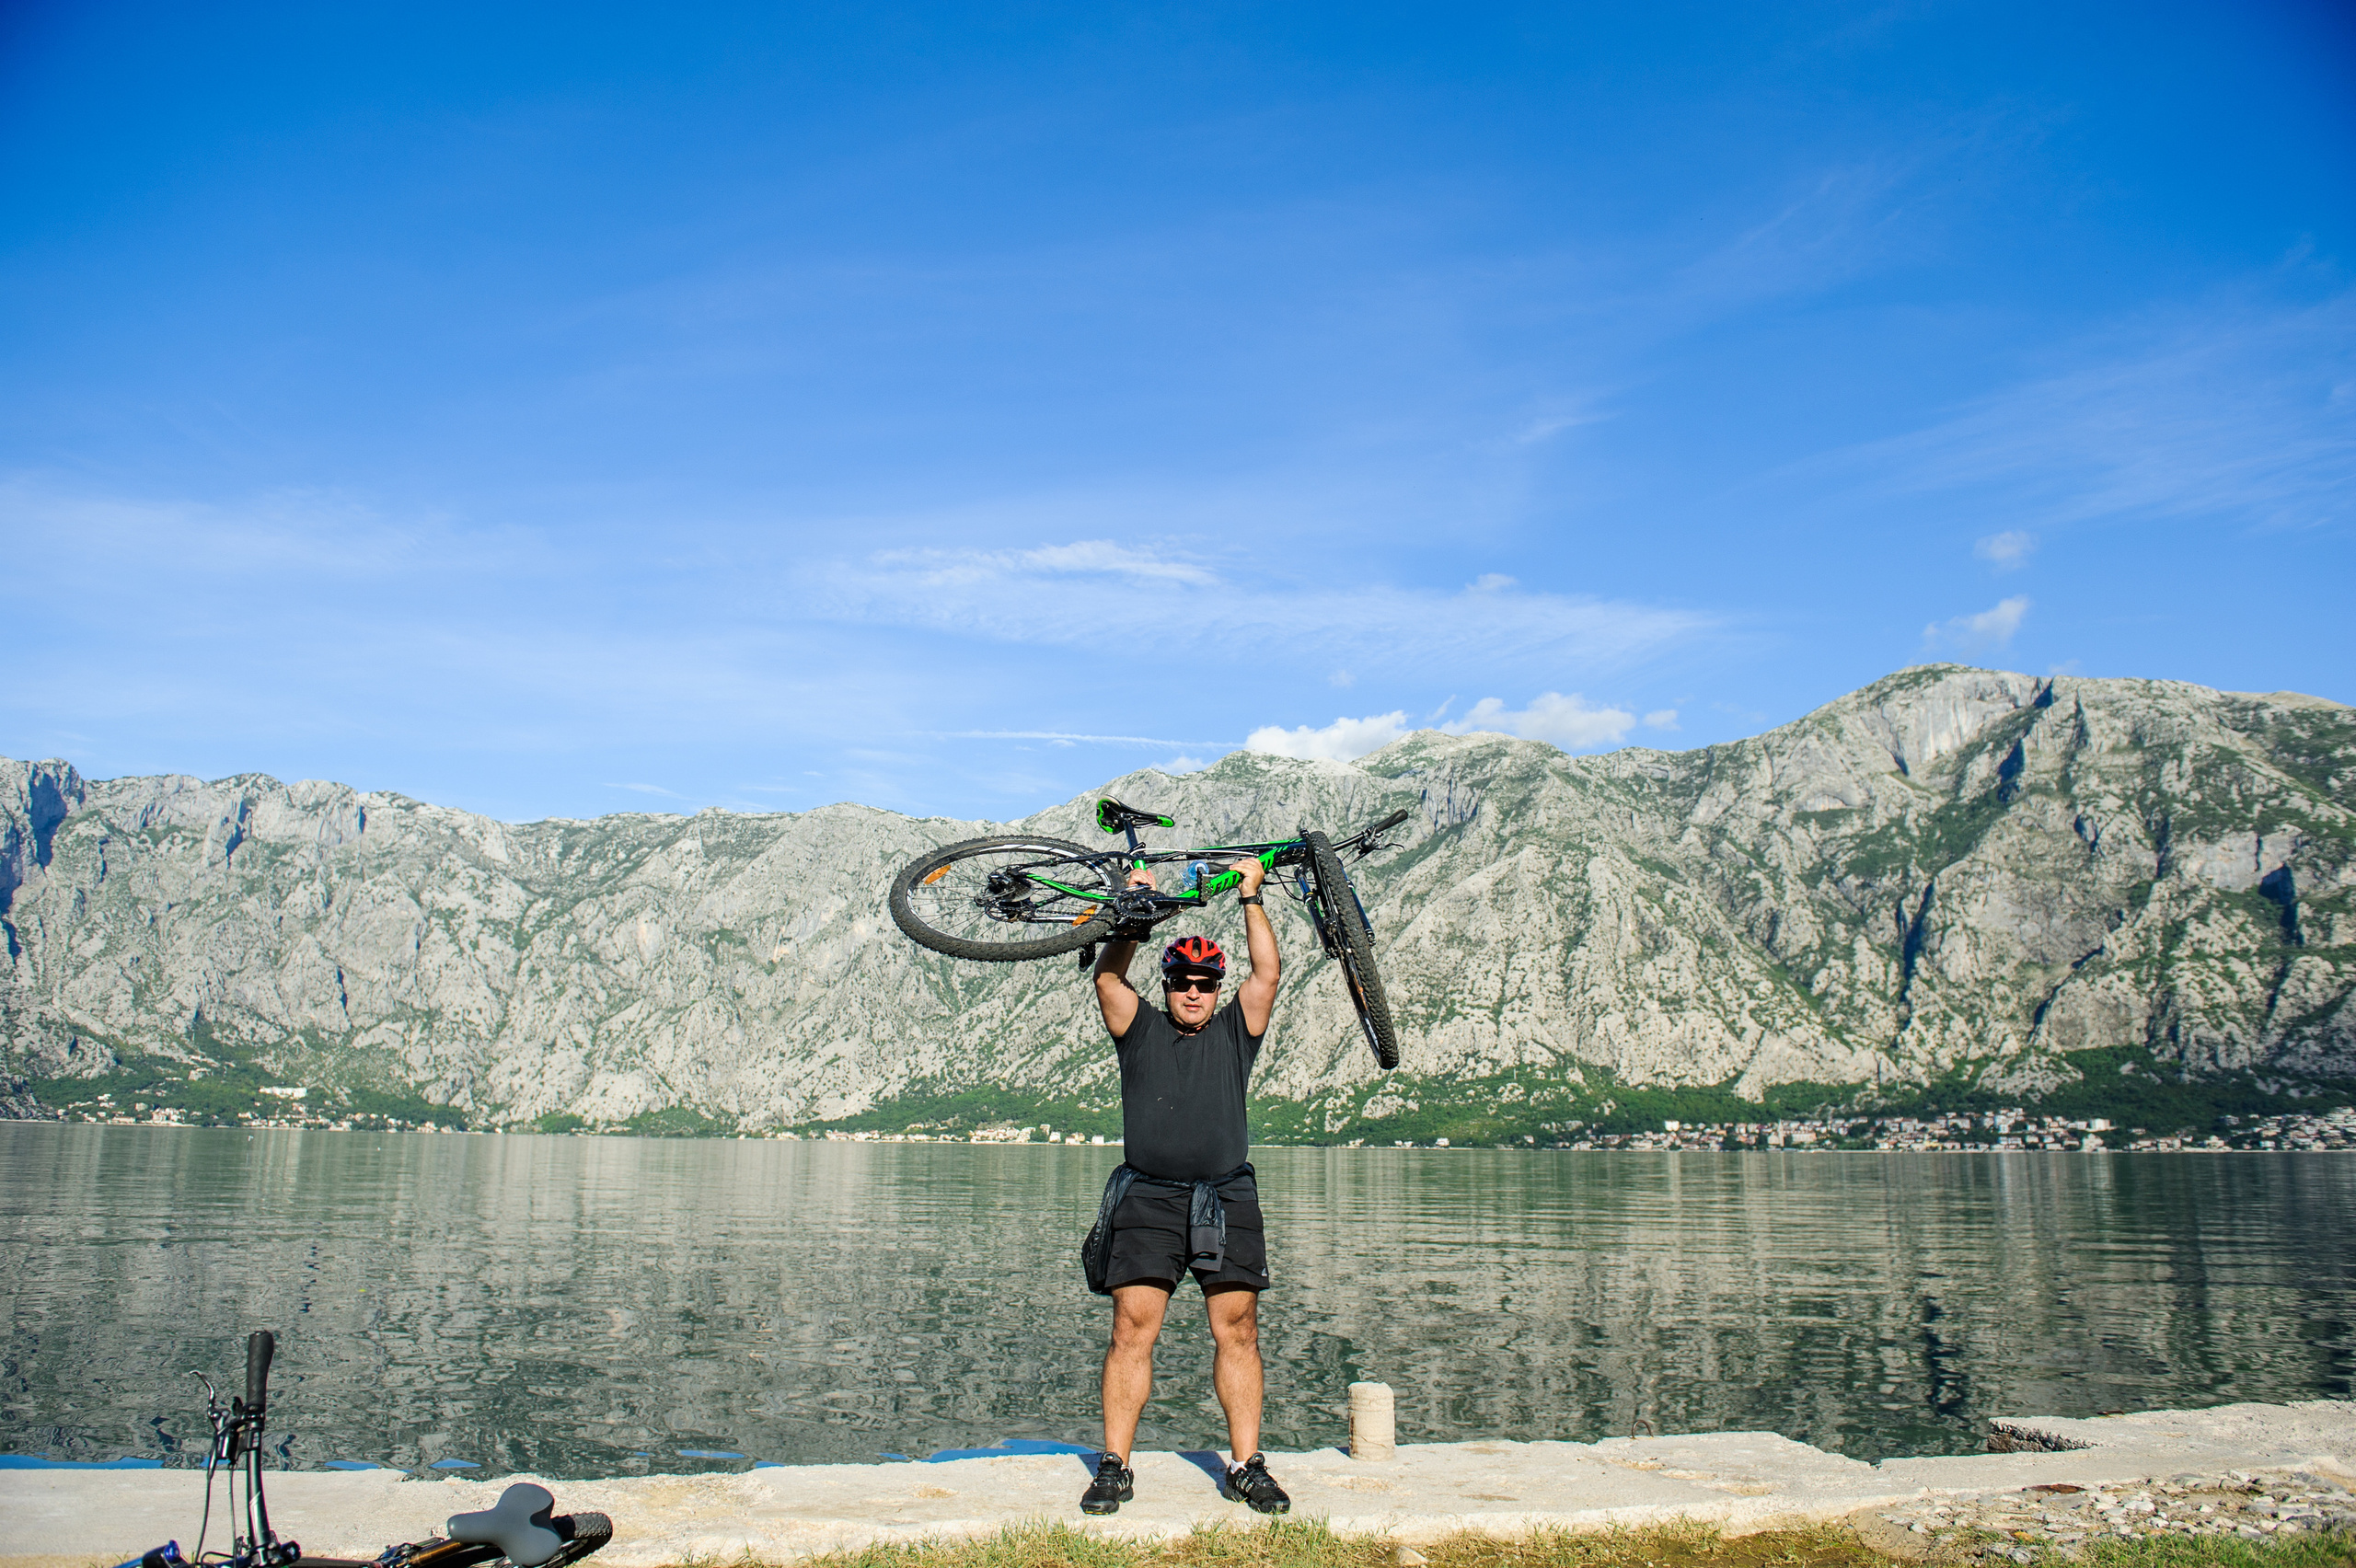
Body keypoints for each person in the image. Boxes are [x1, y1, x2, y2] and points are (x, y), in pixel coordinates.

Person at [1076, 856, 1290, 1517]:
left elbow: (1268, 974)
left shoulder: (1236, 1030)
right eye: (1182, 981)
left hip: (1227, 1196)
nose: (1193, 990)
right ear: (1167, 985)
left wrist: (1251, 896)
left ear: (1217, 988)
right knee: (1131, 1330)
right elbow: (1109, 976)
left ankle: (1246, 1464)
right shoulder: (1138, 1028)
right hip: (1148, 1198)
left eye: (1204, 981)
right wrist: (1134, 917)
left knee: (1240, 1331)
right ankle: (1115, 1465)